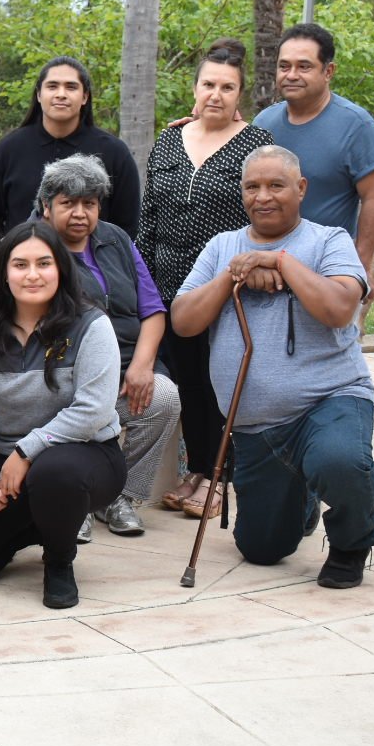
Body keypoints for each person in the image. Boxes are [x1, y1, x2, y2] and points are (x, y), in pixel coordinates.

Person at [171, 145, 374, 589]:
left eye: (276, 185)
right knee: (263, 550)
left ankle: (351, 542)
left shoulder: (329, 241)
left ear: (301, 189)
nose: (263, 196)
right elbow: (184, 320)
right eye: (253, 187)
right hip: (255, 428)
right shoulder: (222, 246)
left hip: (328, 400)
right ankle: (302, 499)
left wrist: (281, 260)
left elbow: (340, 308)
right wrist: (235, 275)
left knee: (340, 461)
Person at [0, 221, 124, 609]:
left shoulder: (91, 325)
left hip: (87, 454)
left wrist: (26, 451)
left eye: (44, 263)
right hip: (9, 463)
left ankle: (59, 560)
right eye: (20, 264)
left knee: (55, 472)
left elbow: (95, 409)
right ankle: (42, 522)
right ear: (4, 272)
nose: (33, 274)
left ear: (61, 269)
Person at [138, 39, 273, 518]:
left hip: (224, 286)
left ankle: (220, 478)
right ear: (195, 88)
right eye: (208, 84)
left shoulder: (256, 145)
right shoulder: (170, 140)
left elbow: (263, 214)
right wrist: (145, 285)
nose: (216, 94)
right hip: (167, 284)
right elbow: (149, 216)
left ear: (241, 95)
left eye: (227, 87)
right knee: (190, 381)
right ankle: (197, 469)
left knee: (221, 382)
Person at [37, 155, 180, 540]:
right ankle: (76, 498)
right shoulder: (31, 248)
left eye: (90, 203)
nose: (80, 213)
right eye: (69, 203)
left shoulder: (116, 239)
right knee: (76, 408)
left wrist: (144, 365)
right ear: (46, 207)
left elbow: (152, 311)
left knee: (164, 398)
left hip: (127, 366)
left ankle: (119, 496)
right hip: (62, 372)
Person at [254, 23, 374, 272]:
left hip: (327, 268)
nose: (291, 74)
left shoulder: (357, 126)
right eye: (284, 66)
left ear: (328, 71)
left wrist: (360, 266)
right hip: (265, 266)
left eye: (304, 66)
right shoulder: (263, 124)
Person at [0, 58, 141, 235]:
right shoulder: (8, 150)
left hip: (94, 261)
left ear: (85, 96)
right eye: (52, 86)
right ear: (39, 95)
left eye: (71, 87)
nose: (61, 94)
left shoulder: (114, 153)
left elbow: (128, 226)